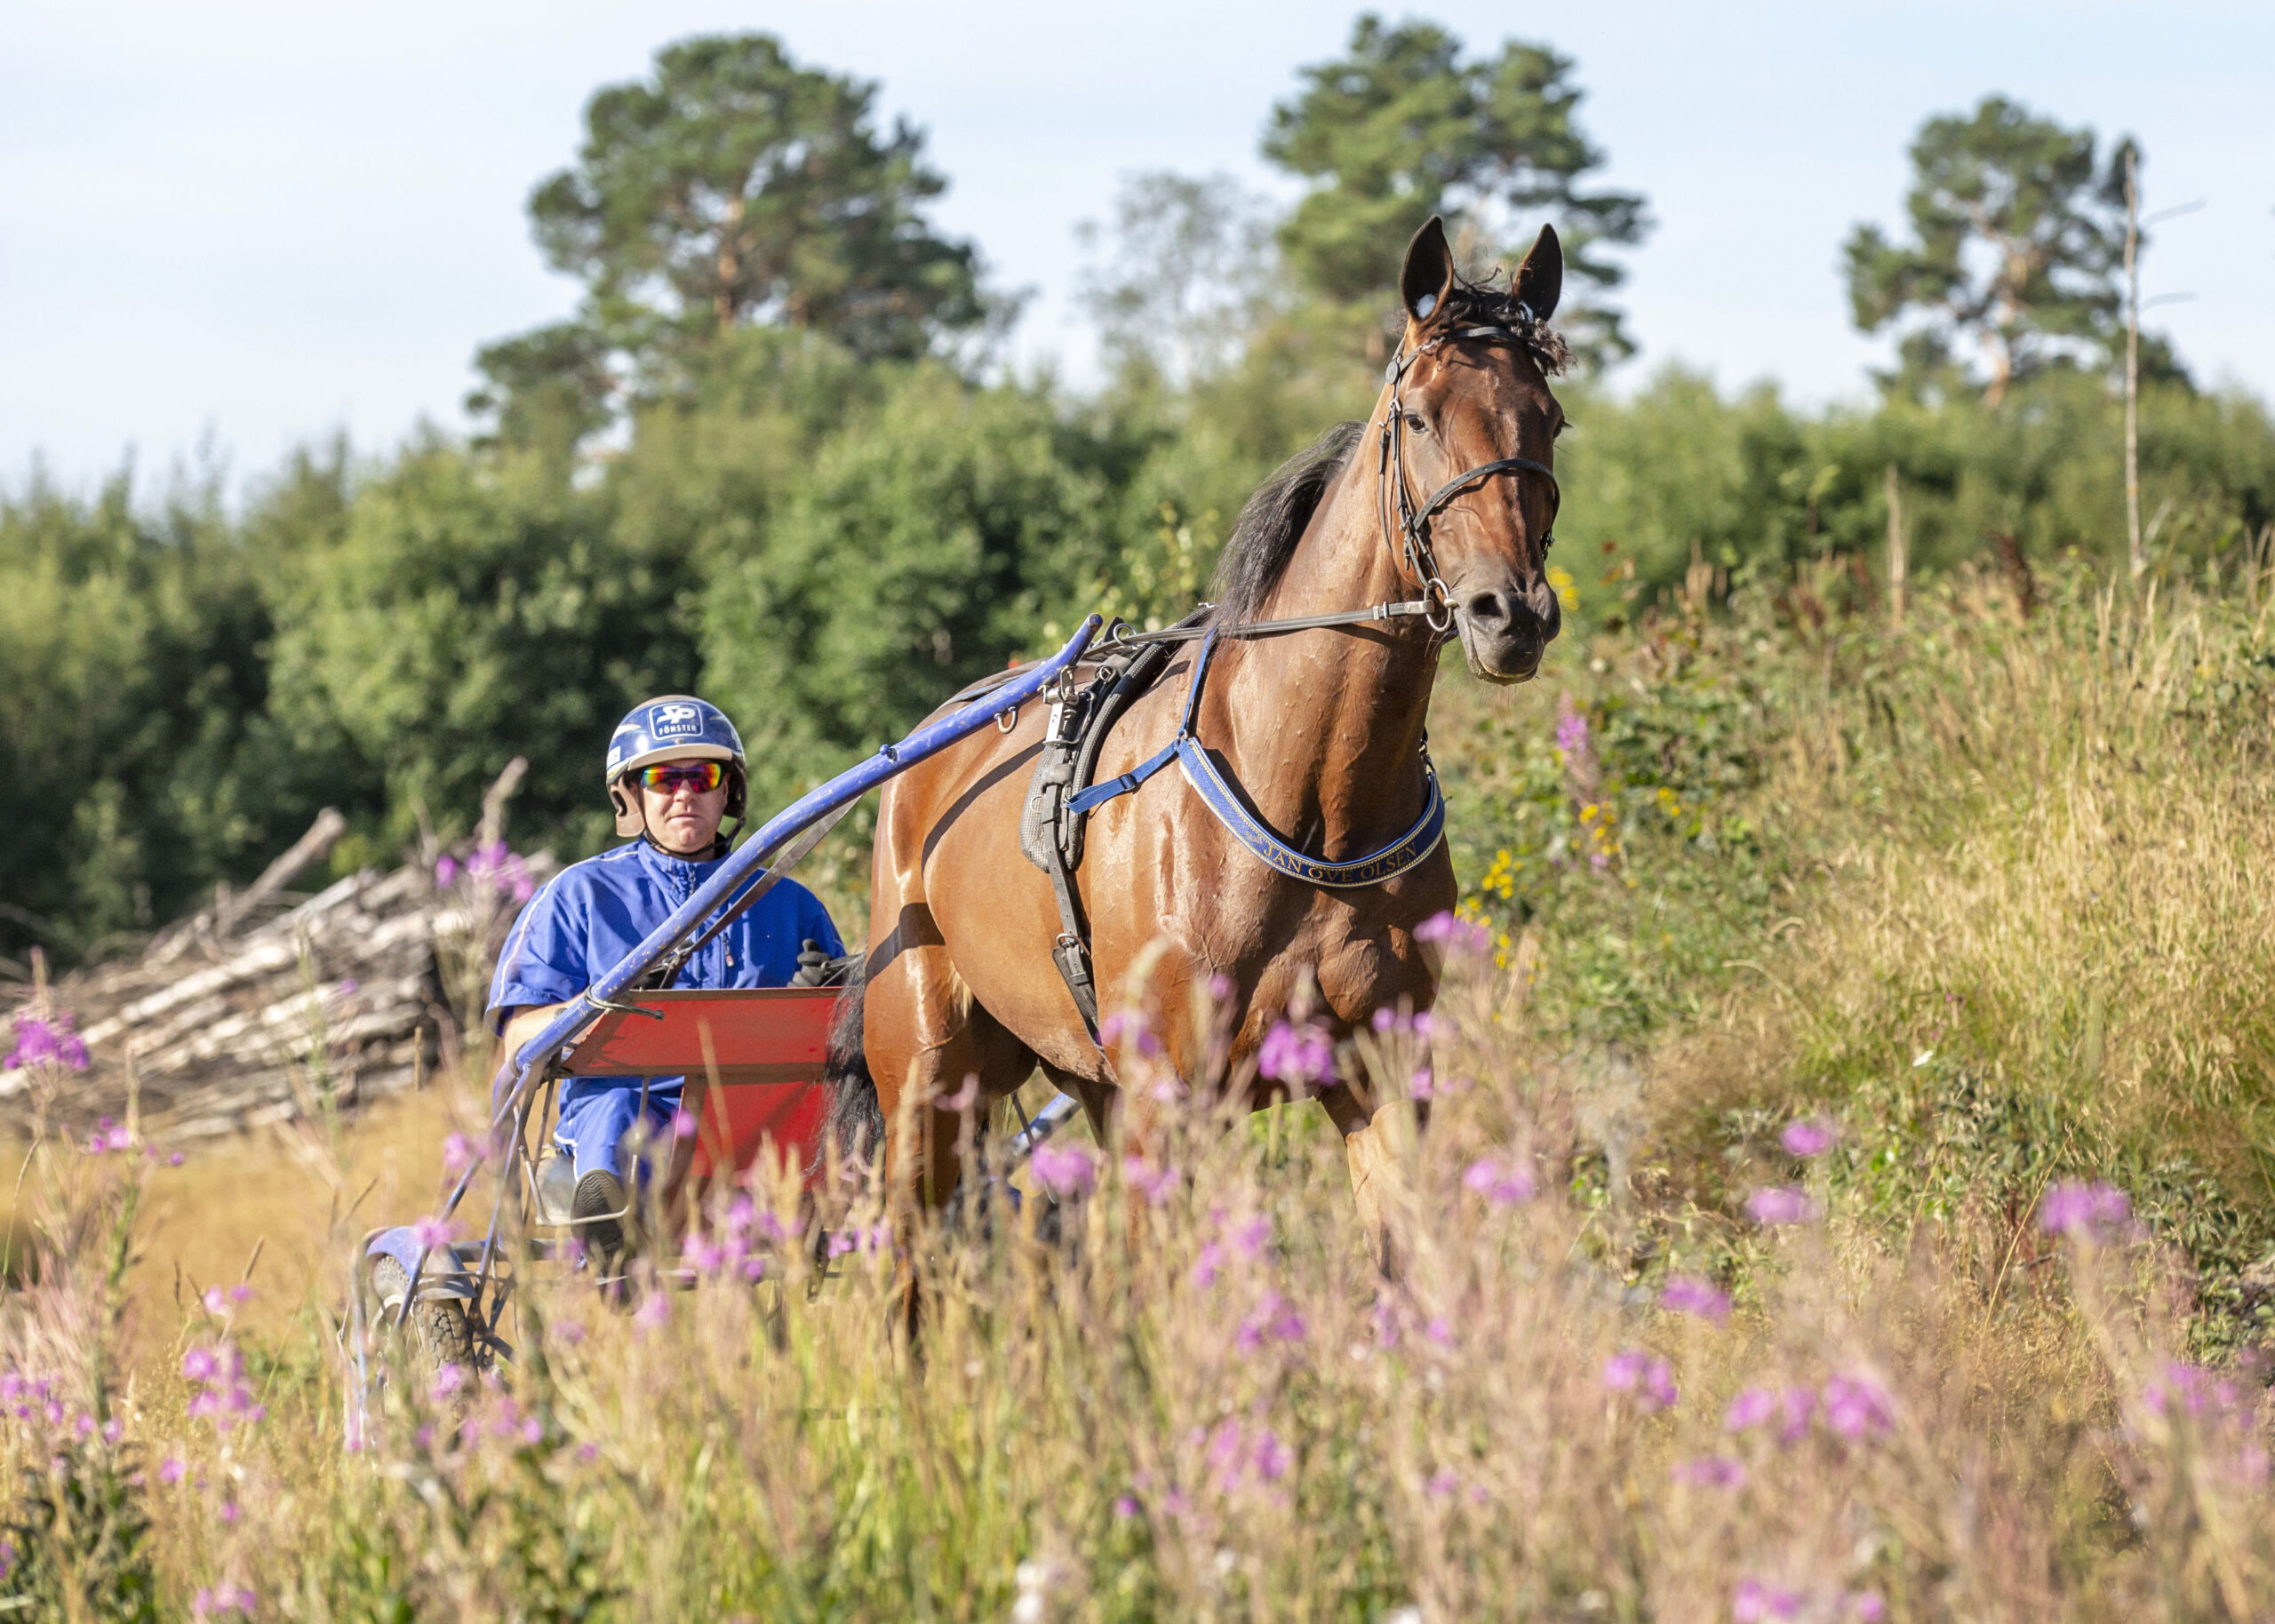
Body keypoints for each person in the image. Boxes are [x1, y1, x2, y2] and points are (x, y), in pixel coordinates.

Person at [487, 695, 842, 1258]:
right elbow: (517, 1038)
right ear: (632, 794)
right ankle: (612, 1232)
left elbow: (846, 1035)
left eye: (702, 777)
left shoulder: (788, 903)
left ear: (729, 791)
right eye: (663, 778)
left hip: (758, 1119)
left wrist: (825, 996)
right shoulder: (578, 897)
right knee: (619, 1113)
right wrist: (598, 1005)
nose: (684, 794)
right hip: (631, 1120)